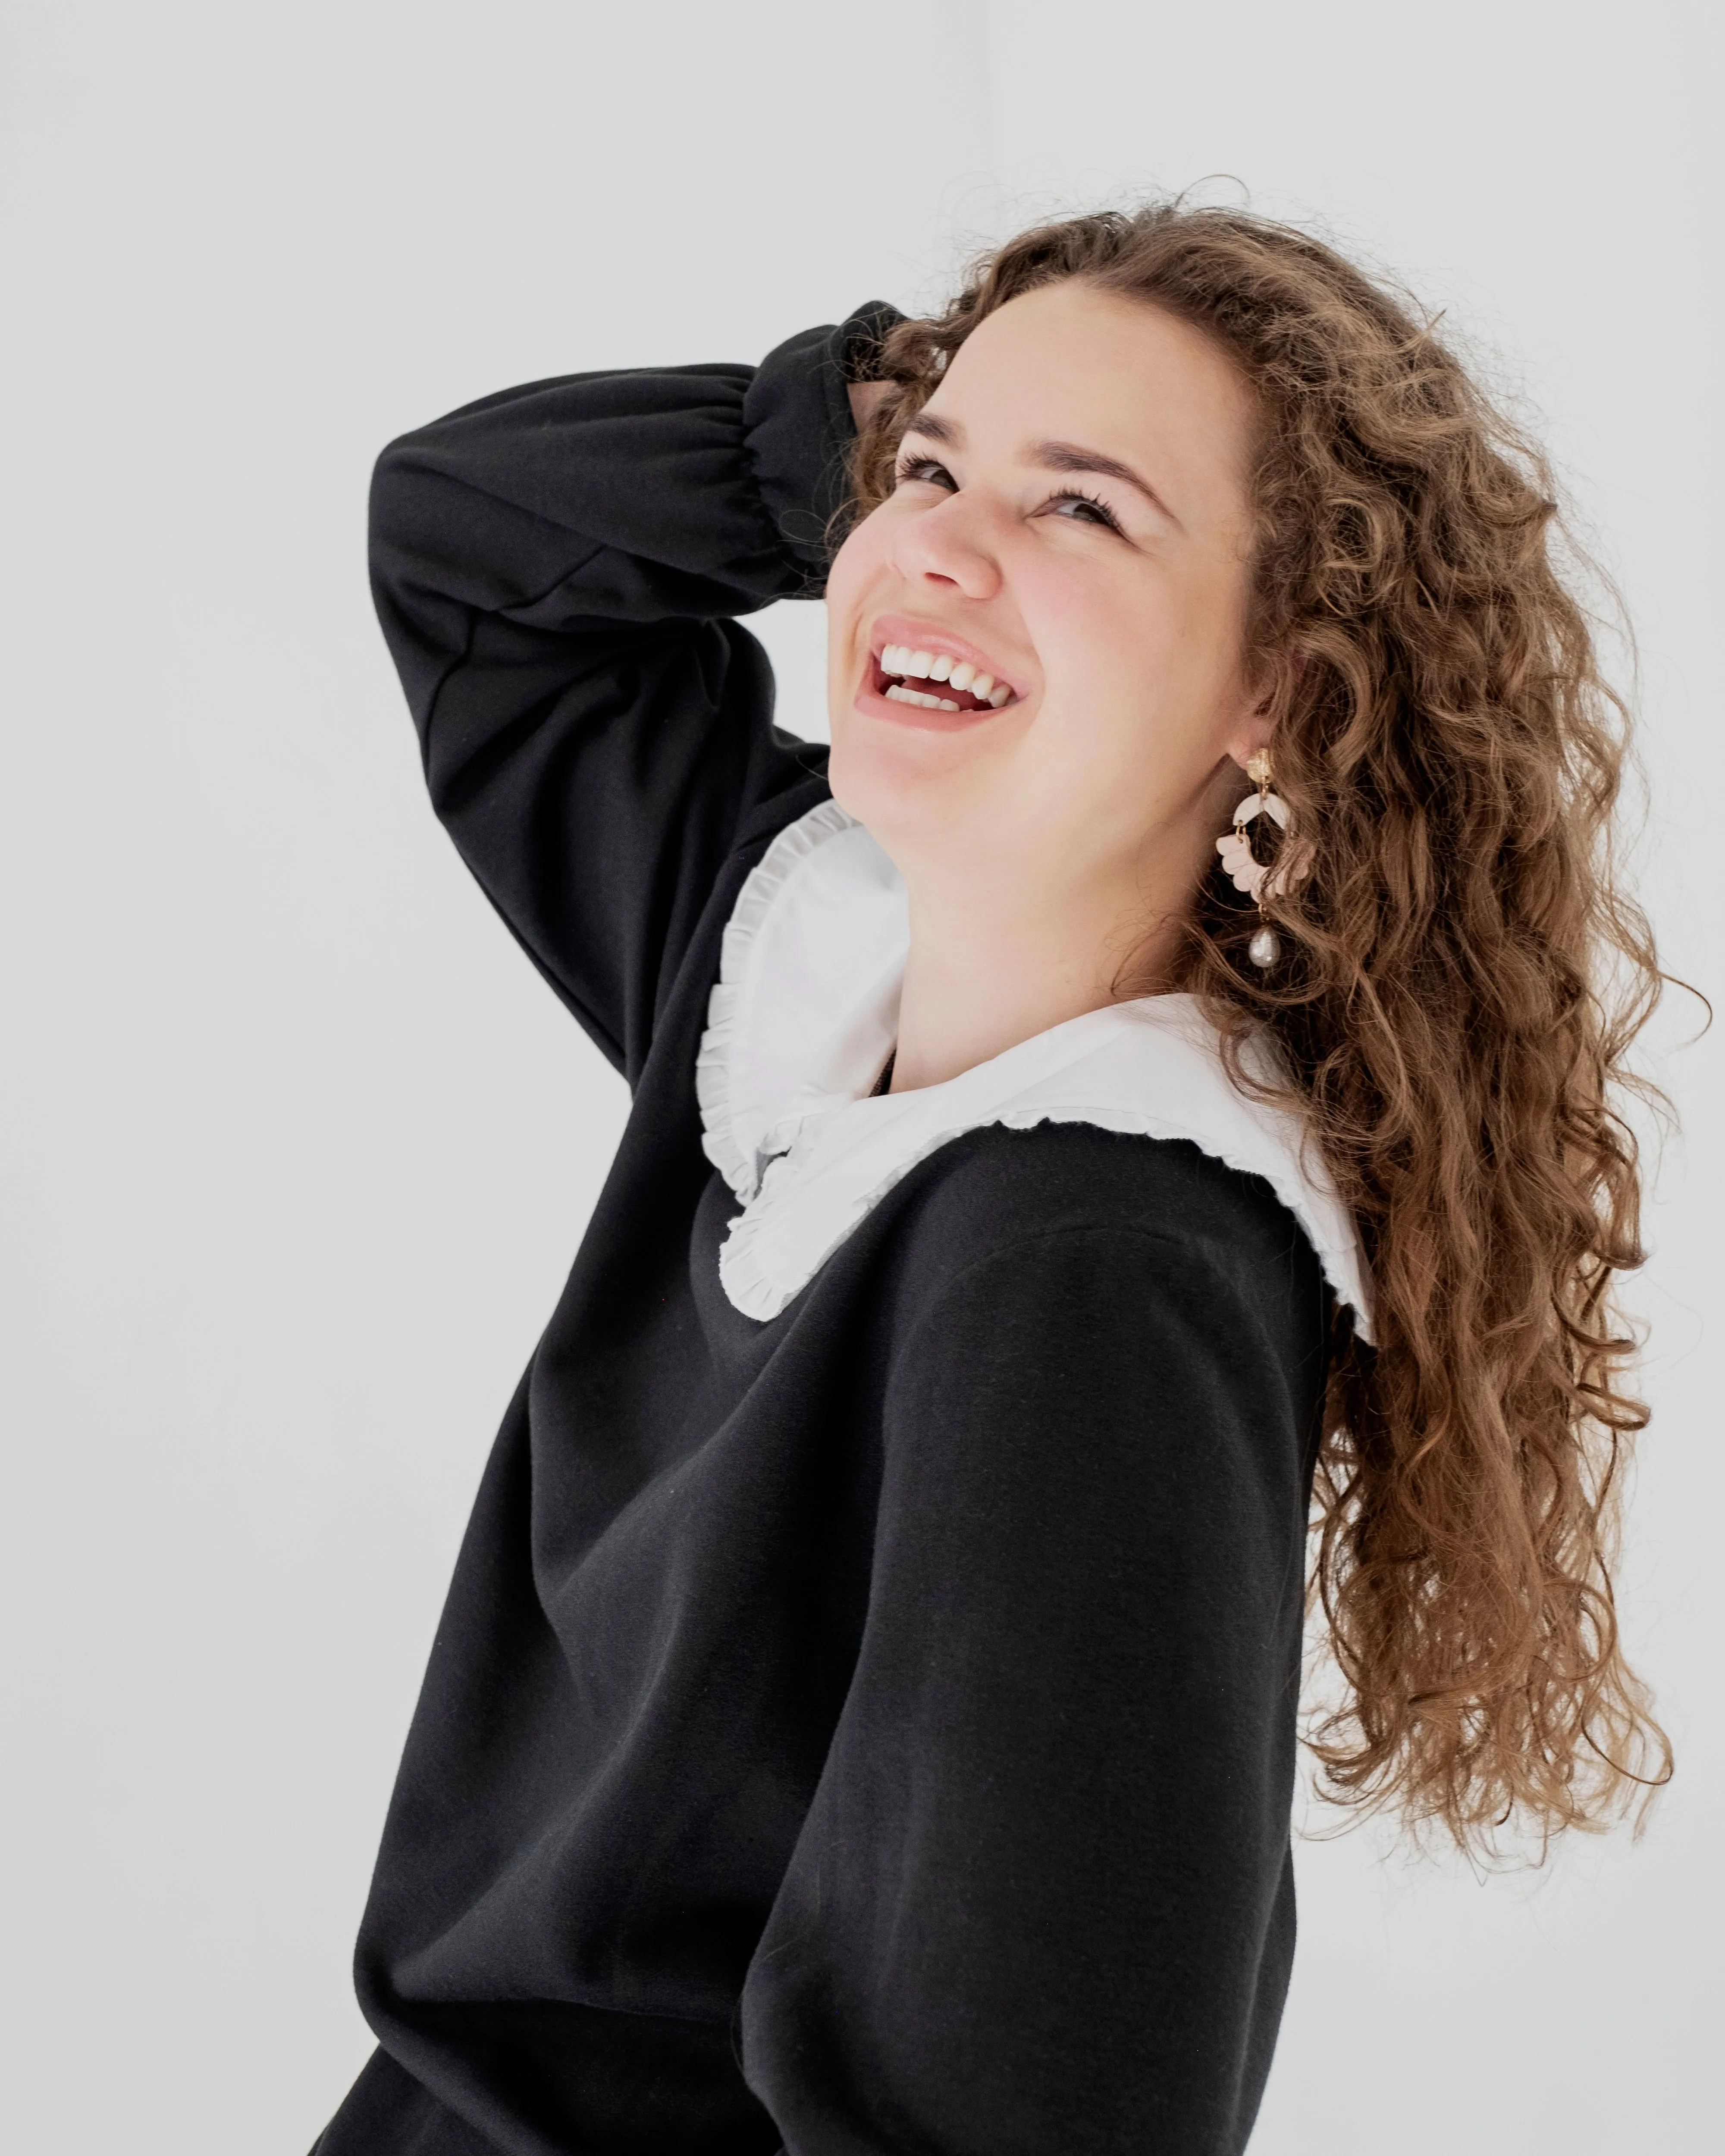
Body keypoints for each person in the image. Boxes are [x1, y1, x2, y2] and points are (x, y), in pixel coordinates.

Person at [312, 203, 1669, 2156]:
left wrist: (947, 453)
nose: (936, 545)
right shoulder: (785, 952)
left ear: (1275, 695)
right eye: (929, 471)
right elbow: (469, 544)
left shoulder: (1095, 1266)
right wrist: (866, 425)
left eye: (1084, 511)